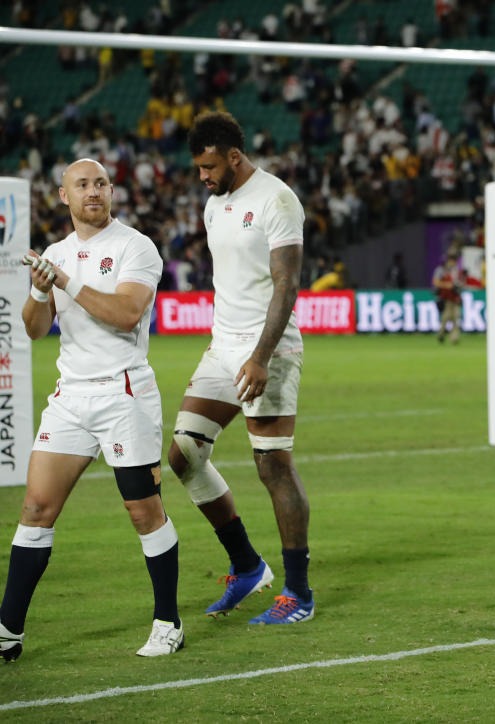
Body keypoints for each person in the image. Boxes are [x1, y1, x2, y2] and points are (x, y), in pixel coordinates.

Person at [1, 159, 180, 661]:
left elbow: (126, 313)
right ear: (64, 197)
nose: (93, 192)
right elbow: (35, 329)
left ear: (111, 191)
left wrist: (62, 281)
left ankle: (168, 621)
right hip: (71, 396)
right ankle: (7, 632)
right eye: (82, 185)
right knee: (36, 508)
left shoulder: (134, 246)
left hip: (124, 393)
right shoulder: (56, 253)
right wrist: (40, 288)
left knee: (142, 510)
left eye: (101, 183)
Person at [167, 111, 314, 625]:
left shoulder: (276, 199)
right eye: (199, 168)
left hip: (268, 351)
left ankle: (298, 593)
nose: (203, 177)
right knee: (183, 454)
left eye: (210, 167)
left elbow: (286, 284)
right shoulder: (215, 204)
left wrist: (260, 356)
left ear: (234, 156)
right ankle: (248, 566)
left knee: (273, 465)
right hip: (222, 347)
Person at [432, 250, 463, 344]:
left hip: (455, 298)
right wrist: (447, 285)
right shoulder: (441, 270)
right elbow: (435, 282)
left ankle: (454, 338)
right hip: (446, 299)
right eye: (451, 260)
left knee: (456, 318)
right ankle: (441, 334)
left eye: (454, 260)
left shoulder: (457, 271)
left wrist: (458, 286)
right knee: (445, 318)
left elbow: (460, 283)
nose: (453, 262)